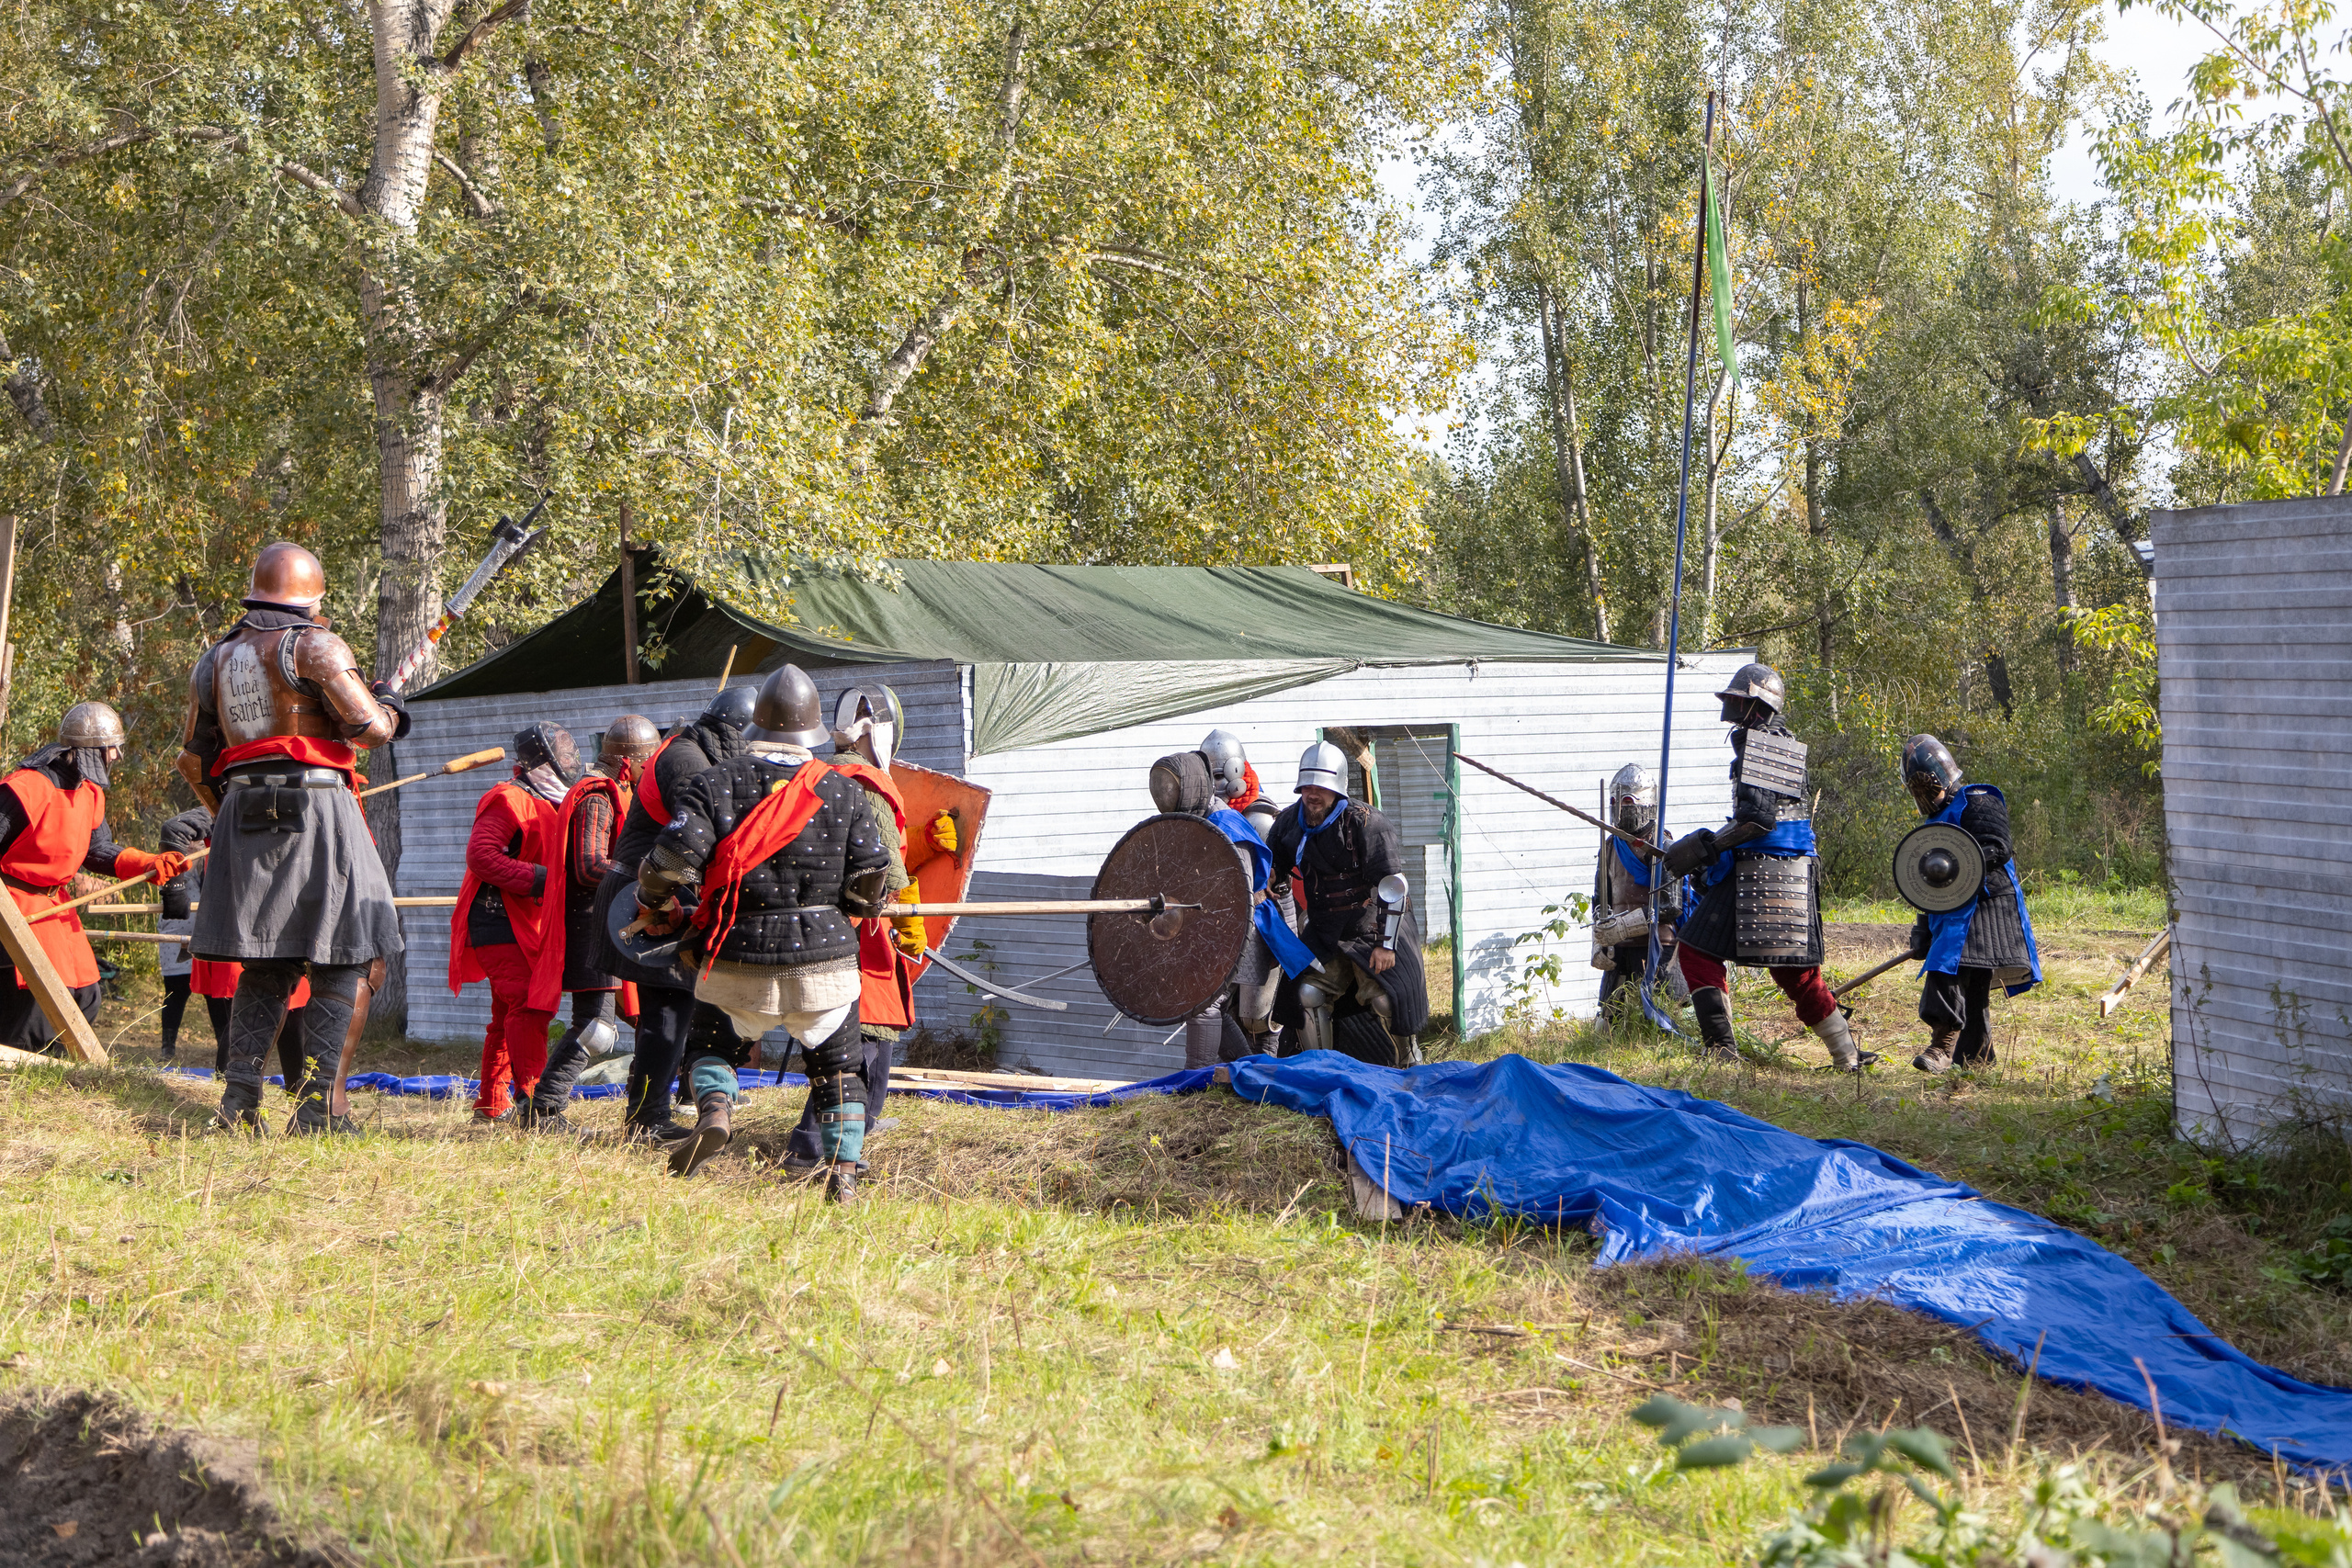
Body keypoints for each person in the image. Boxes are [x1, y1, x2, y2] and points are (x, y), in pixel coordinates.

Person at [630, 664, 890, 1201]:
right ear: (813, 732)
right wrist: (849, 907)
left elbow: (669, 863)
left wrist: (650, 905)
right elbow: (870, 883)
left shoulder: (712, 784)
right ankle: (843, 1171)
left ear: (755, 729)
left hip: (735, 958)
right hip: (826, 965)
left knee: (708, 1047)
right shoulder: (844, 792)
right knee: (839, 1068)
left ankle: (718, 1111)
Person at [177, 543, 406, 1134]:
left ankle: (238, 1105)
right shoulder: (317, 645)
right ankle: (315, 1110)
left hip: (242, 813)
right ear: (312, 598)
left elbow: (194, 759)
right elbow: (370, 730)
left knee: (268, 961)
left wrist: (232, 812)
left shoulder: (215, 659)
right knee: (350, 955)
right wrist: (391, 706)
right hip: (317, 805)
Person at [1661, 662, 1871, 1072]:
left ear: (1755, 704)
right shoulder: (1768, 742)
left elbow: (1758, 819)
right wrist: (1713, 846)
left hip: (1770, 867)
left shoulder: (1767, 744)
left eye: (1738, 699)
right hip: (1775, 865)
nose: (1731, 706)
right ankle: (1843, 1056)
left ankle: (1729, 1051)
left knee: (1719, 955)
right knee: (1785, 971)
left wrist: (1709, 847)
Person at [590, 685, 757, 1145]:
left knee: (677, 1007)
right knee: (667, 1010)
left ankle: (654, 1111)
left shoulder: (692, 750)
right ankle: (646, 1120)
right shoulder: (686, 759)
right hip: (646, 895)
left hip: (661, 891)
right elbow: (700, 831)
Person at [782, 685, 932, 1174]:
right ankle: (810, 1144)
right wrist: (911, 923)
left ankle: (861, 1120)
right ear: (881, 735)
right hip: (855, 928)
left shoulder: (814, 776)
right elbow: (888, 869)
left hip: (809, 921)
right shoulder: (867, 785)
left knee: (866, 1031)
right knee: (860, 1036)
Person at [0, 704, 187, 1049]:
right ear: (89, 750)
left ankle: (52, 1068)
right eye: (111, 747)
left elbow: (97, 849)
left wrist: (148, 863)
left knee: (85, 992)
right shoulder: (27, 787)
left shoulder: (89, 793)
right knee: (32, 1004)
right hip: (14, 906)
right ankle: (23, 1074)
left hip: (56, 905)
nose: (115, 755)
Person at [525, 715, 660, 1126]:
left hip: (607, 921)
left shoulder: (615, 792)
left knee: (640, 1019)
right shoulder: (598, 797)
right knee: (596, 1028)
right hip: (589, 923)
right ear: (628, 762)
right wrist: (644, 875)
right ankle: (545, 1107)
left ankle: (645, 1107)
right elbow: (587, 867)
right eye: (646, 762)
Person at [1263, 740, 1429, 1066]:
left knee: (1386, 999)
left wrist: (1386, 945)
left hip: (1370, 927)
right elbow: (1274, 862)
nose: (1313, 794)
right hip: (1324, 932)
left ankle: (1409, 1066)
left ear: (1337, 787)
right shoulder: (1288, 823)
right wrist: (1268, 877)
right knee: (1306, 995)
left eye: (1321, 787)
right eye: (1307, 786)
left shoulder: (1367, 823)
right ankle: (1321, 1070)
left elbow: (1394, 887)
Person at [449, 724, 580, 1122]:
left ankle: (491, 1105)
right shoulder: (508, 798)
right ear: (538, 759)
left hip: (529, 921)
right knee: (528, 1005)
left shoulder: (557, 800)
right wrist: (543, 880)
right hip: (498, 920)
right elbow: (482, 856)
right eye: (561, 752)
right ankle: (536, 1104)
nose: (569, 759)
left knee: (506, 1015)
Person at [1899, 734, 2041, 1073]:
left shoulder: (1978, 800)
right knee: (1973, 989)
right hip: (1952, 914)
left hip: (1988, 905)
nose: (1923, 795)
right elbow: (1924, 885)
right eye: (1916, 789)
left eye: (1926, 786)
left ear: (1942, 776)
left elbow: (1997, 846)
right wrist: (1921, 929)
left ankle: (1942, 1044)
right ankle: (1976, 1064)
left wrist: (1963, 864)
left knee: (1945, 968)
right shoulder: (1932, 823)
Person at [1200, 729, 1298, 1055]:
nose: (1214, 783)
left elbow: (1272, 883)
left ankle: (1264, 1081)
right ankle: (1245, 1075)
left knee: (1260, 1019)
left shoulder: (1259, 818)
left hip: (1269, 920)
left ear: (1235, 771)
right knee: (1219, 1005)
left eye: (1218, 774)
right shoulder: (1212, 814)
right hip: (1232, 920)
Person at [1591, 763, 1679, 1018]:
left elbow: (1671, 906)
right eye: (1616, 801)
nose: (1621, 808)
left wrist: (1623, 926)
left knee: (1661, 1020)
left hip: (1655, 945)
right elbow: (1600, 900)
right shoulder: (1608, 847)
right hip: (1619, 948)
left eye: (1628, 801)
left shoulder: (1662, 845)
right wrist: (1599, 941)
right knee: (1607, 1024)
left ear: (1645, 804)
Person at [154, 803, 217, 1062]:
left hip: (210, 932)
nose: (198, 845)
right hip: (177, 928)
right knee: (175, 991)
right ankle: (167, 1046)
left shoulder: (215, 857)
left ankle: (224, 1043)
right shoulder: (178, 853)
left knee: (216, 993)